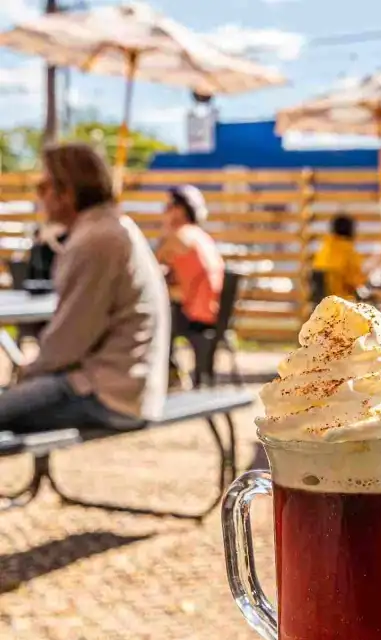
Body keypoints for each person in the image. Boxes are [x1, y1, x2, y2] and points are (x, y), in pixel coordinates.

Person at [0, 143, 170, 434]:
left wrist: (27, 373)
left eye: (43, 186)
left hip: (108, 393)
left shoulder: (95, 239)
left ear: (68, 191)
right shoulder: (112, 227)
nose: (38, 195)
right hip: (130, 387)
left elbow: (69, 338)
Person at [156, 185, 225, 382]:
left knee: (154, 312)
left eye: (168, 206)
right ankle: (170, 372)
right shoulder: (200, 236)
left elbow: (150, 272)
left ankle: (167, 374)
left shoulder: (178, 237)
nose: (164, 211)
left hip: (194, 314)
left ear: (180, 210)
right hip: (211, 312)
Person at [312, 214, 366, 302]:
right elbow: (356, 282)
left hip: (322, 306)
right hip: (342, 303)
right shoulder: (348, 251)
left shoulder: (324, 248)